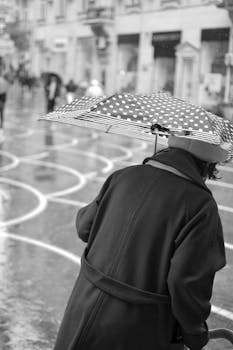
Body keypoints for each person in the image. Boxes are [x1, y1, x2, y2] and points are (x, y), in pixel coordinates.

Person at [53, 132, 227, 350]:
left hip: (83, 307)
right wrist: (195, 333)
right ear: (208, 166)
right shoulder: (201, 206)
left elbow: (84, 228)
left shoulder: (122, 176)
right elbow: (187, 283)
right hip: (139, 326)